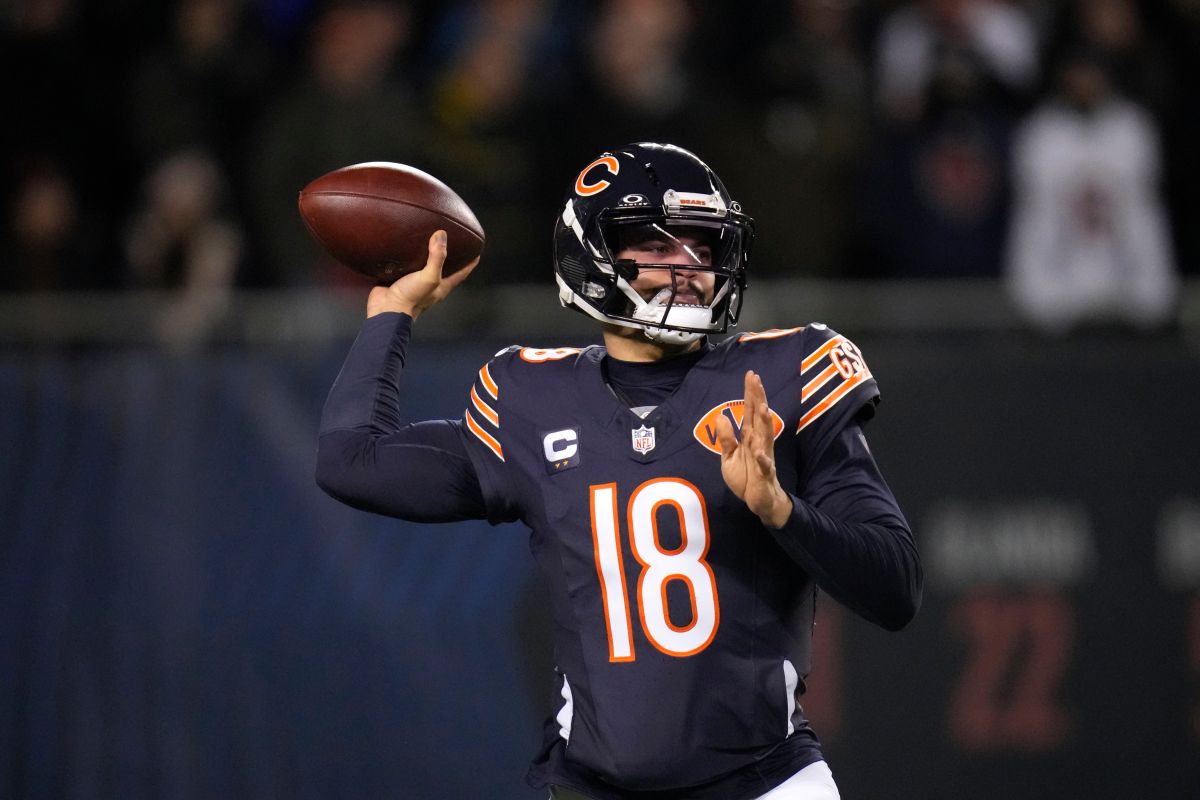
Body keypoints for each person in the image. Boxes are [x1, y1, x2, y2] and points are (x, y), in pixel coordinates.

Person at [315, 143, 923, 799]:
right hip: (594, 787)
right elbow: (351, 461)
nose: (688, 266)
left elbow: (895, 588)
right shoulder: (531, 397)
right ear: (591, 255)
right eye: (658, 246)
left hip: (766, 783)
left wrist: (782, 511)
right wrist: (392, 316)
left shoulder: (786, 374)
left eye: (703, 245)